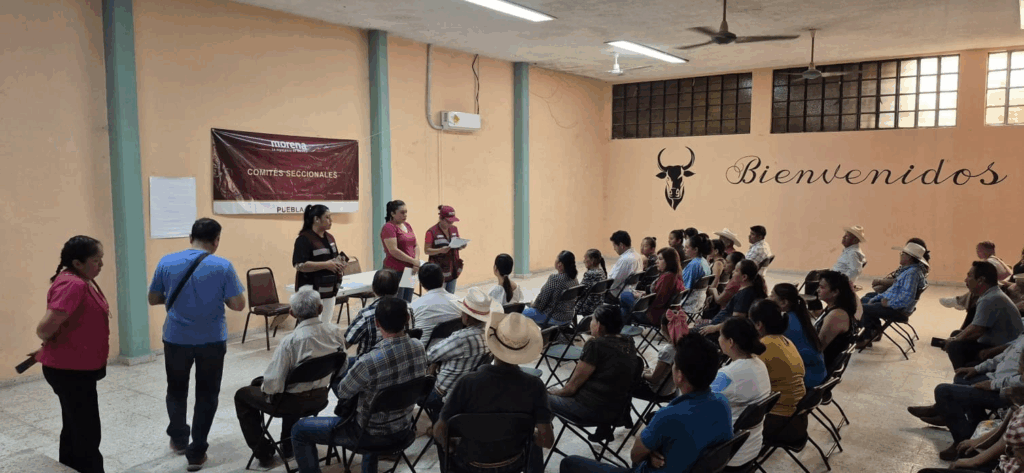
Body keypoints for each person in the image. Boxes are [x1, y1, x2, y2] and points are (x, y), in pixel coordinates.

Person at [148, 218, 246, 471]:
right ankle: (197, 451)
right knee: (207, 394)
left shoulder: (166, 262)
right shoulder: (223, 266)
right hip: (211, 341)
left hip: (175, 339)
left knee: (176, 390)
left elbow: (153, 298)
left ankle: (179, 439)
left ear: (190, 237)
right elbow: (238, 305)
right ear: (216, 240)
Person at [559, 333, 733, 473]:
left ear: (679, 375)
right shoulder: (722, 404)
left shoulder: (668, 417)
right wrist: (656, 451)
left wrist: (648, 445)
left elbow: (635, 456)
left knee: (569, 463)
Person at [291, 297, 427, 473]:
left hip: (367, 435)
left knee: (299, 430)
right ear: (407, 319)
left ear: (377, 323)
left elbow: (343, 391)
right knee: (373, 405)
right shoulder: (419, 347)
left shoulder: (368, 362)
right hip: (403, 429)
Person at [233, 286, 346, 468]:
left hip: (291, 403)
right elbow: (342, 369)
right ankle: (288, 446)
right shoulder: (335, 332)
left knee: (243, 395)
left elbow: (273, 385)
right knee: (292, 387)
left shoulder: (290, 342)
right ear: (320, 309)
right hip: (320, 398)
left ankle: (264, 453)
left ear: (292, 313)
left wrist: (263, 385)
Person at [433, 310, 553, 473]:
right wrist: (527, 434)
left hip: (469, 464)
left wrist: (451, 447)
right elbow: (546, 441)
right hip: (513, 463)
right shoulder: (535, 386)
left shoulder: (467, 382)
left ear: (492, 344)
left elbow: (439, 430)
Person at [33, 236, 109, 473]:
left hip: (75, 366)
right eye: (96, 260)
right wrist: (50, 341)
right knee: (87, 432)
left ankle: (68, 467)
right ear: (77, 263)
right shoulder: (73, 285)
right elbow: (44, 328)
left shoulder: (80, 280)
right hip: (70, 371)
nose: (101, 265)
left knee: (75, 426)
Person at [908, 336, 1024, 460]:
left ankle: (962, 444)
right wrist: (976, 369)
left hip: (1008, 392)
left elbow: (1021, 381)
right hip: (996, 379)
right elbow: (1002, 357)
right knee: (962, 377)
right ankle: (969, 429)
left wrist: (992, 385)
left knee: (943, 391)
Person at [548, 305, 641, 426]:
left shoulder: (596, 345)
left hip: (590, 411)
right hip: (617, 410)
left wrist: (554, 392)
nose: (590, 323)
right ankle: (603, 432)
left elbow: (570, 389)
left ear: (598, 325)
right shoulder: (628, 341)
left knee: (539, 394)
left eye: (592, 320)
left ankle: (539, 435)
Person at [421, 290, 492, 421]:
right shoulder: (489, 335)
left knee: (414, 389)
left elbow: (428, 356)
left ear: (467, 317)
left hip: (445, 395)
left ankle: (440, 422)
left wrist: (434, 366)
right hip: (469, 393)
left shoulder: (461, 338)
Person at [713, 317, 772, 471]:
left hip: (729, 454)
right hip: (751, 447)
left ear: (730, 342)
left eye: (720, 335)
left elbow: (697, 401)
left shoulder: (728, 375)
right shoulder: (760, 364)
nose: (718, 339)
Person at [944, 261, 1024, 369]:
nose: (965, 280)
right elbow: (975, 325)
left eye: (969, 276)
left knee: (955, 346)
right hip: (999, 343)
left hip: (1002, 350)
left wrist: (954, 340)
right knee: (956, 335)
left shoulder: (990, 299)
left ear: (981, 280)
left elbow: (977, 330)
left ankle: (964, 374)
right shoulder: (991, 294)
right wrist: (956, 337)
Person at [749, 299, 807, 446]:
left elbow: (747, 386)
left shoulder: (763, 347)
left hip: (779, 425)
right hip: (798, 421)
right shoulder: (786, 341)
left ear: (758, 324)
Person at [856, 242, 929, 349]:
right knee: (866, 300)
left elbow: (907, 297)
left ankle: (866, 338)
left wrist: (888, 303)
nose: (900, 255)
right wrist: (877, 298)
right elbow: (894, 291)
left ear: (909, 257)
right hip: (898, 305)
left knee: (862, 308)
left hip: (898, 310)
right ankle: (874, 330)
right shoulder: (912, 270)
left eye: (902, 253)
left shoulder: (911, 274)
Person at [293, 204, 347, 324]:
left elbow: (333, 259)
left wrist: (339, 265)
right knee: (310, 325)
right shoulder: (304, 239)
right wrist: (325, 265)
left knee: (325, 324)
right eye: (327, 217)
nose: (330, 220)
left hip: (329, 289)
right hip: (311, 291)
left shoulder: (330, 238)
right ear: (316, 219)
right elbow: (299, 265)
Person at [771, 283, 827, 389]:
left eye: (772, 295)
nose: (769, 298)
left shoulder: (788, 323)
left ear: (784, 303)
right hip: (817, 374)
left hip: (808, 380)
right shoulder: (798, 316)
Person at [941, 241, 1015, 311]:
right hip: (1002, 285)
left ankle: (959, 301)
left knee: (979, 286)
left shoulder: (990, 262)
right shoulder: (996, 259)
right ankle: (960, 301)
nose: (977, 252)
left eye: (979, 250)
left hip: (1002, 287)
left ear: (987, 250)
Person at [700, 259, 767, 335]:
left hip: (721, 332)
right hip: (717, 326)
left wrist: (714, 328)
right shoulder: (747, 290)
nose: (733, 272)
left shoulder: (745, 295)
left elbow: (736, 322)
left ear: (744, 277)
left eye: (736, 270)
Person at [345, 269, 401, 358]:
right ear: (397, 288)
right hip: (398, 359)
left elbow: (348, 341)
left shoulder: (366, 315)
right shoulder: (407, 310)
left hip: (368, 362)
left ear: (373, 288)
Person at [626, 248, 685, 326]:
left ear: (669, 261)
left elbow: (658, 302)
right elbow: (659, 294)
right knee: (625, 305)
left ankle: (624, 330)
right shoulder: (676, 275)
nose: (656, 262)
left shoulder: (667, 277)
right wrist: (644, 293)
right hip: (666, 313)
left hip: (655, 317)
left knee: (625, 299)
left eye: (660, 259)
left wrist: (641, 297)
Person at [814, 270, 859, 372]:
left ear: (835, 292)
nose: (817, 290)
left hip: (819, 368)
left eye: (822, 287)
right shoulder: (835, 308)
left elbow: (818, 349)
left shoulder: (836, 315)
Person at [523, 251, 579, 327]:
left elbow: (541, 302)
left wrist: (533, 305)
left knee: (521, 314)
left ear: (560, 264)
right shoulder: (575, 279)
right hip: (568, 317)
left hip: (553, 318)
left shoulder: (555, 279)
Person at [409, 263, 461, 345]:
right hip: (454, 348)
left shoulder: (413, 306)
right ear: (443, 279)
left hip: (425, 350)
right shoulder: (459, 302)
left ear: (421, 284)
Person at [381, 200, 419, 302]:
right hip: (395, 271)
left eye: (406, 212)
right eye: (402, 212)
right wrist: (413, 261)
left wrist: (416, 261)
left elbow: (416, 245)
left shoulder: (407, 225)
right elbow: (393, 250)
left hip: (409, 270)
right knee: (397, 301)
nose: (405, 215)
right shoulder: (389, 227)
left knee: (407, 301)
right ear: (392, 214)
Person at [424, 205, 465, 294]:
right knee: (439, 296)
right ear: (441, 218)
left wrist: (461, 246)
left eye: (452, 221)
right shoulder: (431, 232)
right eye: (448, 222)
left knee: (450, 296)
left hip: (453, 269)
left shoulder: (454, 229)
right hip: (438, 271)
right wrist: (440, 250)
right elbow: (427, 250)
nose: (451, 224)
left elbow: (456, 243)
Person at [680, 233, 712, 317]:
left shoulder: (694, 265)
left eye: (687, 247)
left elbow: (684, 288)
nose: (684, 249)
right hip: (698, 302)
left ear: (695, 249)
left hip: (688, 303)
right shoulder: (704, 261)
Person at [608, 230, 645, 297]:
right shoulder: (637, 256)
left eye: (614, 246)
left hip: (619, 293)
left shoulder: (625, 260)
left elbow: (614, 281)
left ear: (621, 245)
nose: (614, 249)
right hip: (631, 290)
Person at [578, 249, 609, 317]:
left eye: (585, 258)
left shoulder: (590, 274)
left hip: (588, 307)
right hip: (598, 305)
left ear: (592, 260)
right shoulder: (602, 272)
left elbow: (579, 291)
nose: (583, 261)